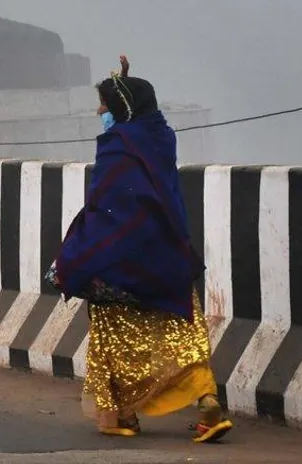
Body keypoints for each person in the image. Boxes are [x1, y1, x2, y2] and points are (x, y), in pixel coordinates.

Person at [48, 57, 232, 444]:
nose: (99, 111)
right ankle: (207, 400)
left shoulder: (118, 145)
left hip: (121, 257)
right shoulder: (161, 136)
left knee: (112, 334)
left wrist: (79, 251)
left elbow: (108, 204)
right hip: (166, 251)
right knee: (183, 327)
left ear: (120, 108)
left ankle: (123, 415)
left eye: (104, 104)